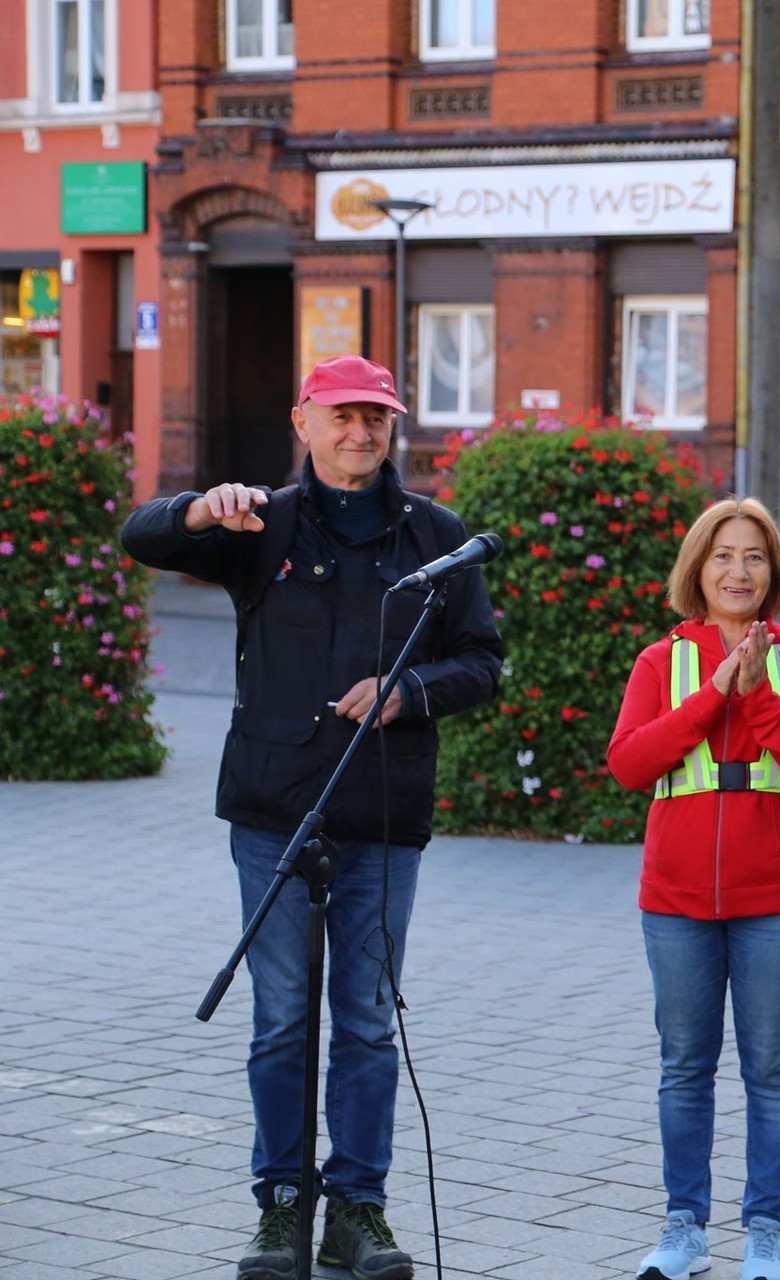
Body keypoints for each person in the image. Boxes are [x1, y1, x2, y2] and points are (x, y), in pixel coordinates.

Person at [120, 355, 504, 1280]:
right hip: (274, 814)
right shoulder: (261, 523)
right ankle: (282, 1204)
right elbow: (141, 537)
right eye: (342, 415)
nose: (360, 432)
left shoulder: (437, 539)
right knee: (283, 1019)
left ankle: (358, 1210)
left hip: (383, 815)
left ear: (392, 427)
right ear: (304, 422)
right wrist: (195, 511)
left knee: (367, 1022)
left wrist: (409, 692)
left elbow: (482, 662)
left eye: (376, 417)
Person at [607, 496, 780, 1280]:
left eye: (754, 556)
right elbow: (629, 763)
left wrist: (758, 695)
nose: (738, 571)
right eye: (723, 555)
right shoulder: (662, 660)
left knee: (771, 1068)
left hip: (777, 898)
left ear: (773, 571)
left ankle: (765, 1233)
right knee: (684, 1067)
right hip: (676, 899)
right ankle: (684, 1229)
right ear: (697, 569)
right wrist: (714, 693)